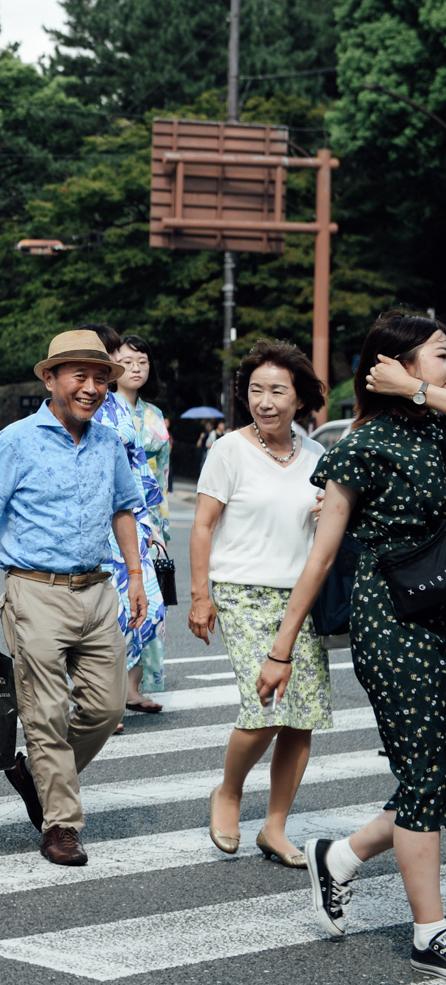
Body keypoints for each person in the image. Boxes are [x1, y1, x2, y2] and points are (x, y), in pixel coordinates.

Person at [282, 311, 446, 977]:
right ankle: (430, 932)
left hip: (443, 611)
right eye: (441, 352)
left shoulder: (438, 426)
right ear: (396, 364)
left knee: (434, 779)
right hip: (397, 623)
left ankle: (340, 855)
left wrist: (417, 392)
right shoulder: (362, 447)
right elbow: (322, 558)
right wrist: (280, 646)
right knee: (426, 778)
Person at [0, 329, 146, 867]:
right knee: (45, 715)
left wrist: (135, 575)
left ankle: (35, 777)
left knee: (107, 706)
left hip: (97, 590)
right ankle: (61, 826)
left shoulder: (109, 442)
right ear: (51, 378)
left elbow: (123, 509)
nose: (91, 387)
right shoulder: (17, 440)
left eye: (99, 378)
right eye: (79, 375)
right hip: (35, 590)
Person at [189, 340, 330, 868]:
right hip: (241, 591)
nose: (265, 401)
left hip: (300, 597)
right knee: (265, 706)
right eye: (255, 390)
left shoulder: (316, 455)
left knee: (301, 718)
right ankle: (228, 791)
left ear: (300, 399)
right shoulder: (228, 450)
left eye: (277, 390)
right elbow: (203, 526)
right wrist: (201, 596)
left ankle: (275, 827)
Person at [84, 326, 167, 715]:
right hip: (87, 525)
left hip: (127, 524)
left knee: (146, 606)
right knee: (100, 614)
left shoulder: (120, 409)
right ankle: (101, 700)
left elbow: (139, 471)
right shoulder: (71, 405)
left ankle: (124, 690)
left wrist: (149, 524)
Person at [112, 333, 173, 699]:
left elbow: (162, 473)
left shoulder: (155, 414)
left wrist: (161, 524)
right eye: (128, 361)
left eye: (143, 362)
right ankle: (113, 686)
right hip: (120, 512)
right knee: (122, 601)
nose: (136, 368)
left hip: (151, 511)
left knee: (151, 604)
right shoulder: (103, 405)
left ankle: (135, 686)